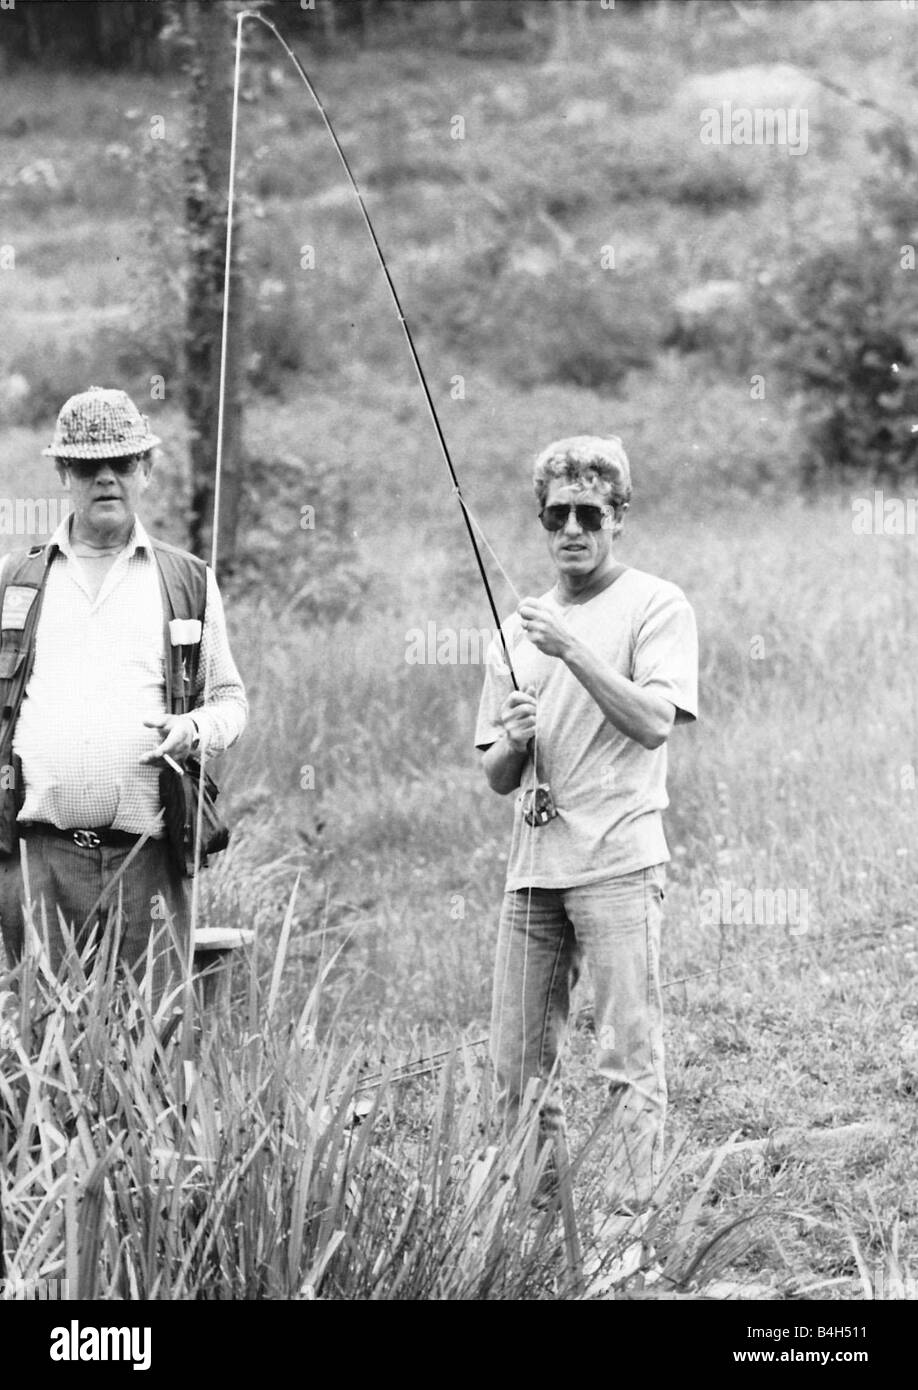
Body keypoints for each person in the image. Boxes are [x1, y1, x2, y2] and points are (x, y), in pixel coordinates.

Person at [475, 434, 697, 1224]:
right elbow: (496, 773)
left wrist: (569, 649)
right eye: (557, 515)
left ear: (619, 518)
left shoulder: (656, 605)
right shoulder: (517, 628)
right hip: (532, 869)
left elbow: (652, 723)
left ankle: (633, 1229)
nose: (572, 530)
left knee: (626, 1054)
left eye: (590, 514)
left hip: (618, 864)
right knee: (514, 1065)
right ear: (542, 520)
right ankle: (539, 1226)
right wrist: (514, 737)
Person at [0, 386, 247, 1002]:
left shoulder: (186, 579)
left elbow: (229, 701)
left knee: (154, 1045)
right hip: (36, 858)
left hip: (150, 858)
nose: (104, 478)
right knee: (37, 1043)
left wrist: (194, 731)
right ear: (64, 472)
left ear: (146, 469)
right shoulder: (16, 580)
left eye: (120, 463)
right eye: (87, 465)